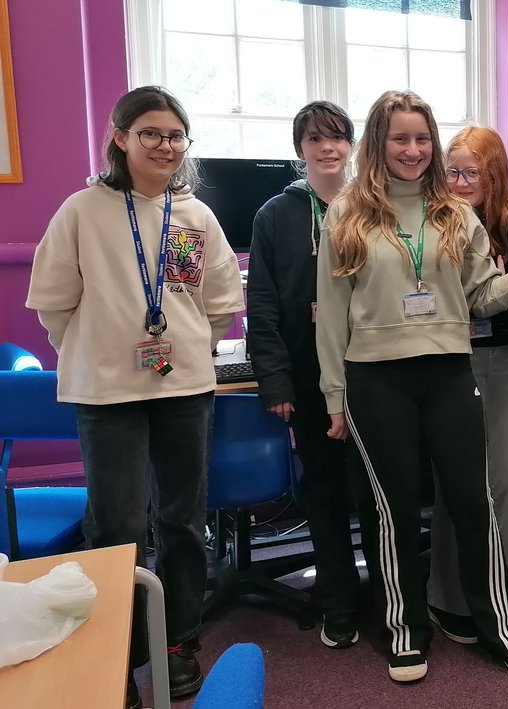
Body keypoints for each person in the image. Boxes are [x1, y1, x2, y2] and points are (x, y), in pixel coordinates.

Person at [315, 90, 508, 682]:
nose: (414, 150)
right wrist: (335, 396)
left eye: (422, 139)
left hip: (450, 371)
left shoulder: (455, 213)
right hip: (375, 380)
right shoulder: (348, 213)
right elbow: (333, 312)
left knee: (475, 502)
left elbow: (483, 299)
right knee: (391, 512)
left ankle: (499, 624)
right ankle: (404, 629)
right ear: (379, 142)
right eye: (400, 138)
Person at [25, 86, 244, 709]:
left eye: (176, 136)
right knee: (117, 524)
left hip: (183, 390)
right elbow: (54, 305)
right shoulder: (82, 210)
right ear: (120, 138)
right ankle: (114, 650)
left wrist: (186, 346)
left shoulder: (195, 215)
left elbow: (221, 303)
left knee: (182, 520)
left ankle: (179, 643)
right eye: (151, 133)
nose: (165, 146)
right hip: (107, 393)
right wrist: (100, 351)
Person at [247, 100, 373, 649]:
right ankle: (339, 600)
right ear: (300, 149)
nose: (328, 148)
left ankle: (387, 594)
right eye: (316, 139)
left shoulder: (372, 205)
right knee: (322, 491)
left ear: (351, 145)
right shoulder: (276, 214)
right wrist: (275, 382)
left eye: (338, 137)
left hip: (370, 372)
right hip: (306, 375)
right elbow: (264, 305)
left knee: (374, 488)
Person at [426, 126, 508, 640]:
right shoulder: (434, 222)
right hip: (451, 361)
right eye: (453, 170)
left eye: (473, 171)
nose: (462, 181)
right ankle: (447, 596)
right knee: (457, 485)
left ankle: (504, 596)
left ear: (493, 173)